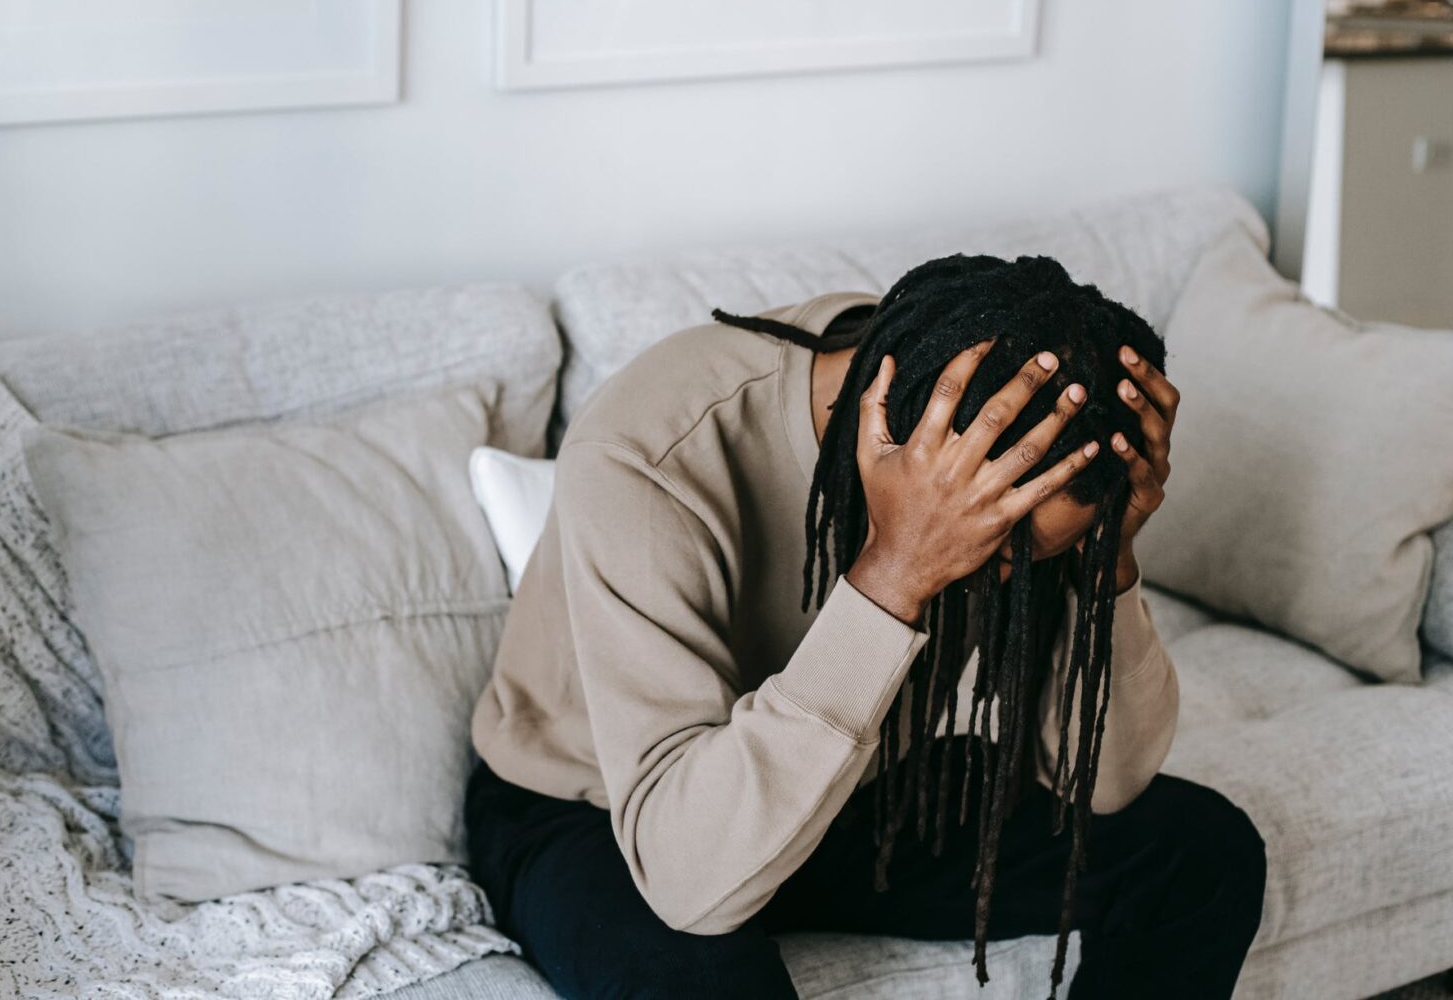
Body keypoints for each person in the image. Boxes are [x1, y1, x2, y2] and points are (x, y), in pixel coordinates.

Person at [466, 256, 1268, 999]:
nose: (1007, 582)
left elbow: (1106, 785)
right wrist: (896, 571)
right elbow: (687, 882)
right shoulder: (647, 450)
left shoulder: (1000, 415)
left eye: (1037, 559)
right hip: (610, 813)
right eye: (1000, 554)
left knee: (1201, 854)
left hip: (862, 782)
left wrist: (1106, 557)